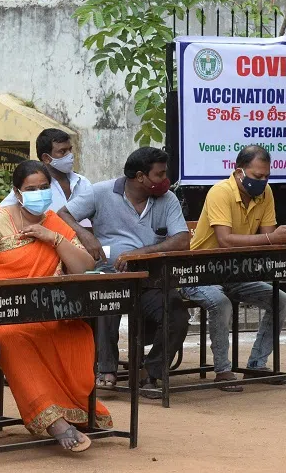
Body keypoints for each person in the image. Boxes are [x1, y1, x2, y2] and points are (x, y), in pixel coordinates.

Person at [0, 160, 109, 452]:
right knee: (15, 339)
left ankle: (74, 410)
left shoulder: (52, 221)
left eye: (43, 188)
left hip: (45, 312)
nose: (38, 193)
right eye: (31, 189)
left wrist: (54, 238)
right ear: (17, 192)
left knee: (76, 333)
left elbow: (82, 267)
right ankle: (53, 421)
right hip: (1, 315)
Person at [59, 147, 190, 396]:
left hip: (149, 279)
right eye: (160, 174)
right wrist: (84, 233)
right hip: (110, 276)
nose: (165, 180)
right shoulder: (101, 192)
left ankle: (152, 371)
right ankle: (105, 369)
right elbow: (63, 215)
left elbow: (182, 240)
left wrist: (142, 253)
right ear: (140, 176)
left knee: (176, 314)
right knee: (106, 296)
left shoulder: (167, 199)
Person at [183, 144, 286, 391]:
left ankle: (256, 365)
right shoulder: (221, 192)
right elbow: (225, 240)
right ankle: (222, 371)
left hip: (235, 272)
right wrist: (273, 238)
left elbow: (268, 237)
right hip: (198, 272)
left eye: (266, 176)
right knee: (220, 303)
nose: (262, 182)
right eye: (257, 177)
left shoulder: (266, 193)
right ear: (239, 172)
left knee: (280, 300)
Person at [0, 129, 92, 225]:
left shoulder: (82, 182)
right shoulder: (32, 187)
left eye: (70, 150)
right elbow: (1, 213)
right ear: (46, 158)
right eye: (63, 151)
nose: (70, 155)